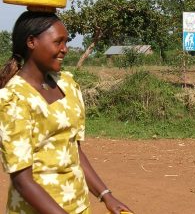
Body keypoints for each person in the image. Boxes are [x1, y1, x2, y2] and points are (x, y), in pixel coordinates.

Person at [0, 11, 133, 214]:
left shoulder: (67, 84)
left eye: (66, 42)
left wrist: (106, 195)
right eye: (58, 42)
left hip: (78, 206)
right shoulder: (14, 98)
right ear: (31, 42)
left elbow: (74, 151)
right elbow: (22, 181)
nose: (65, 49)